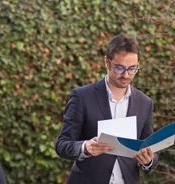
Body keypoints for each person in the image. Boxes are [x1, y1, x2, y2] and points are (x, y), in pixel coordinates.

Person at [54, 34, 157, 184]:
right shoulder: (82, 97)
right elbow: (62, 145)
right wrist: (85, 147)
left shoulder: (145, 103)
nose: (126, 75)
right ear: (107, 62)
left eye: (132, 69)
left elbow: (150, 148)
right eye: (119, 67)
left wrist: (148, 161)